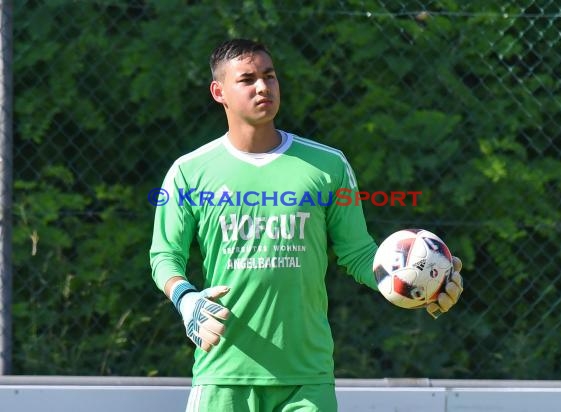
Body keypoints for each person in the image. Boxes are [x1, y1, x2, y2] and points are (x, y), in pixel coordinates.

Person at [149, 38, 463, 412]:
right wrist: (186, 298)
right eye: (247, 79)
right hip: (223, 373)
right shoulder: (190, 171)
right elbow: (165, 255)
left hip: (306, 379)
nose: (263, 87)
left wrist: (411, 280)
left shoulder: (327, 166)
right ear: (219, 92)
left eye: (269, 75)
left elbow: (359, 253)